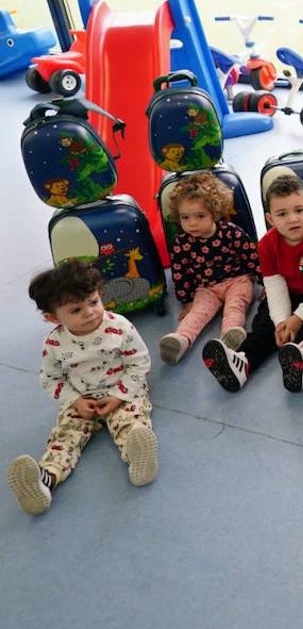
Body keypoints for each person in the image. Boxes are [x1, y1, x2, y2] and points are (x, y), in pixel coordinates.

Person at [8, 260, 157, 515]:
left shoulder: (119, 327)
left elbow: (139, 362)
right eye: (76, 310)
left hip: (122, 391)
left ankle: (138, 459)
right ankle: (46, 480)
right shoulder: (54, 343)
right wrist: (75, 400)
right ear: (53, 317)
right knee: (65, 436)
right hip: (80, 399)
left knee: (130, 423)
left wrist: (118, 395)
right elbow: (50, 378)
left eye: (93, 302)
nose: (90, 312)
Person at [202, 173, 303, 394]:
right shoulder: (267, 245)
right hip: (289, 292)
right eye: (282, 214)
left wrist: (297, 319)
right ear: (271, 219)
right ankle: (243, 362)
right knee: (265, 327)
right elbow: (275, 285)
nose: (292, 219)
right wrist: (282, 321)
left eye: (299, 210)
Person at [159, 171, 260, 365]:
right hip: (206, 288)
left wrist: (265, 284)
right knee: (197, 313)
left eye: (200, 216)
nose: (192, 223)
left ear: (214, 213)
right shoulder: (182, 242)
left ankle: (231, 335)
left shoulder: (231, 233)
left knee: (235, 305)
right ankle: (180, 340)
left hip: (237, 281)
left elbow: (252, 258)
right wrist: (187, 300)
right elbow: (180, 273)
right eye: (185, 217)